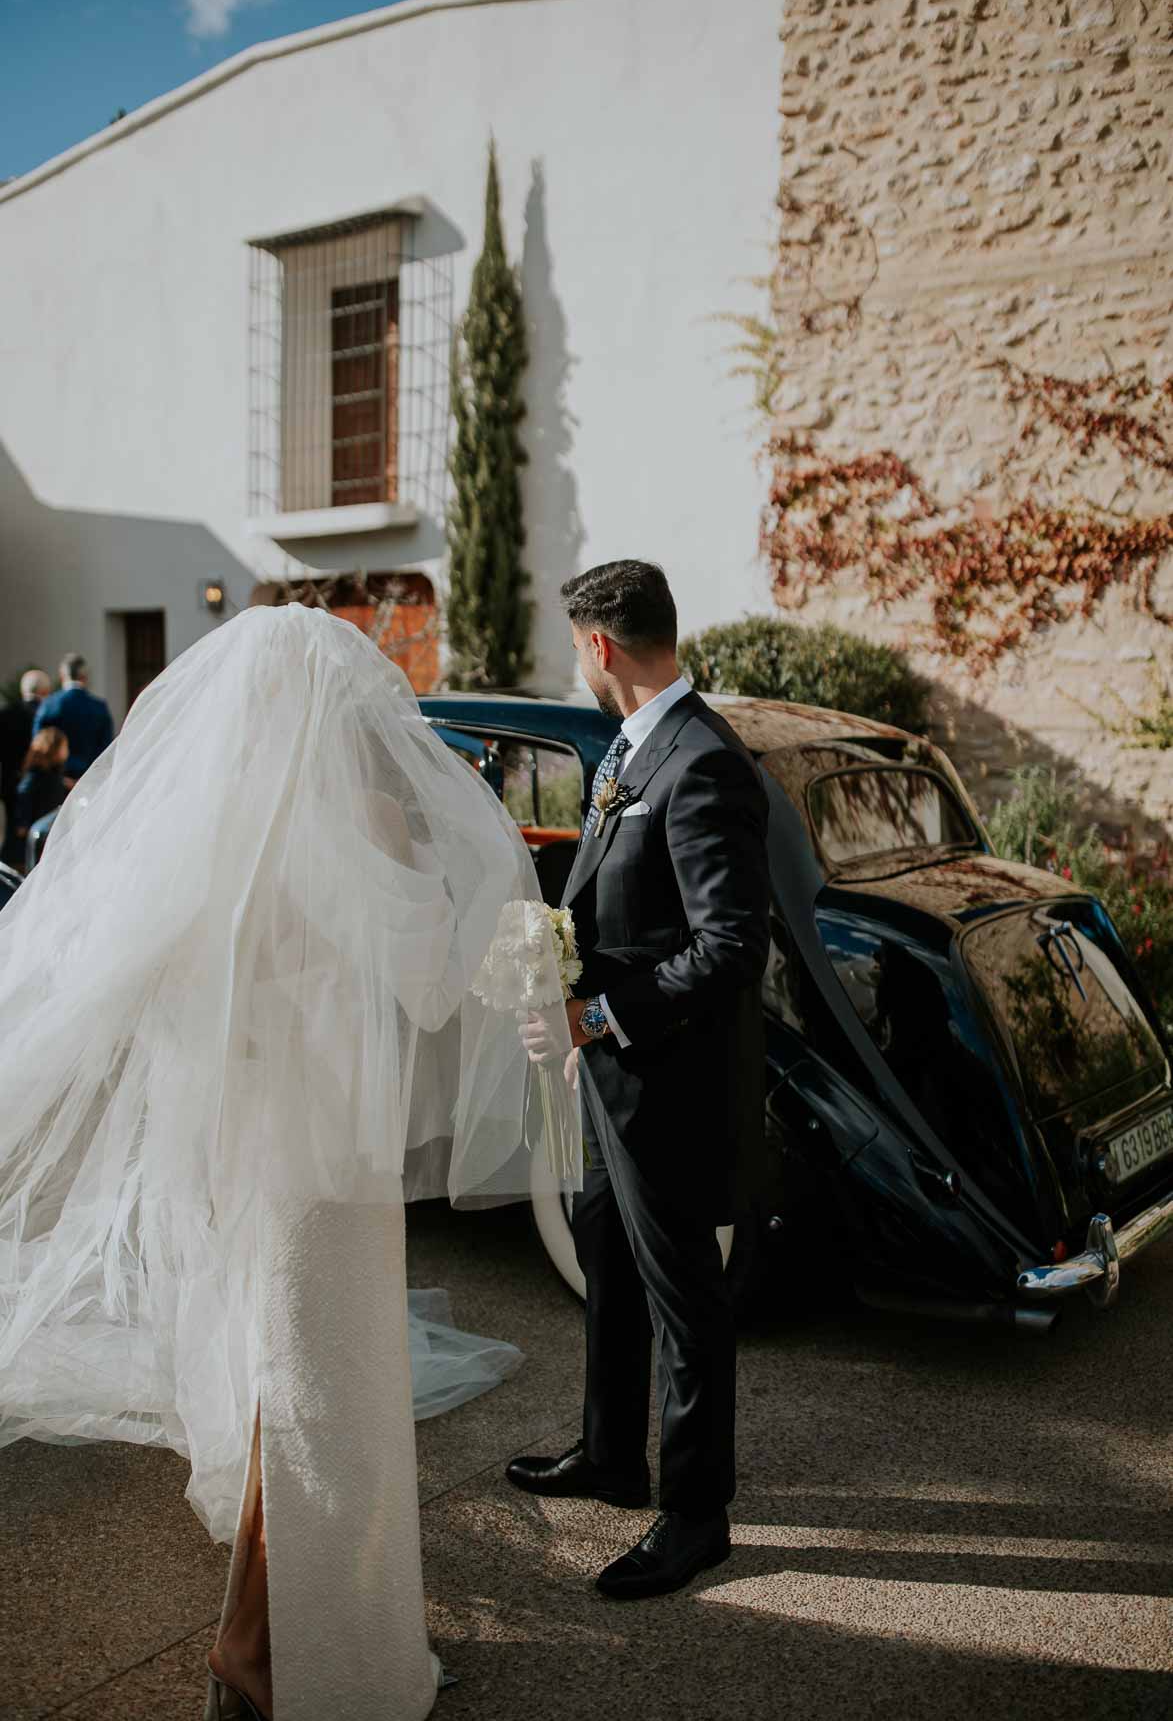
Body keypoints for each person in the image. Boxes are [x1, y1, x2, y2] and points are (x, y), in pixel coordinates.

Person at [0, 605, 577, 1721]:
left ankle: (257, 1640)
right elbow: (424, 984)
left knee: (299, 1402)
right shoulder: (354, 836)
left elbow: (175, 1008)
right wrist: (459, 889)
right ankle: (307, 1656)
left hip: (269, 1155)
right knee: (330, 1409)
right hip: (327, 1173)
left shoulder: (224, 849)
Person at [510, 559, 770, 1600]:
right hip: (610, 1075)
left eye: (576, 645)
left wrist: (600, 1014)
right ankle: (612, 1453)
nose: (577, 661)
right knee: (604, 1257)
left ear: (601, 646)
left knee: (684, 1300)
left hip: (667, 1082)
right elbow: (622, 906)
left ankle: (697, 1512)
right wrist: (555, 984)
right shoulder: (632, 747)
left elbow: (730, 945)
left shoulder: (701, 760)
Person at [34, 652, 114, 783]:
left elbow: (38, 746)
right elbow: (106, 748)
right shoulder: (99, 707)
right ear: (84, 677)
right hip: (88, 779)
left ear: (62, 676)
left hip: (57, 780)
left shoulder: (49, 705)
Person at [0, 669, 50, 866]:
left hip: (11, 783)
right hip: (44, 785)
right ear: (45, 690)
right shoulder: (49, 712)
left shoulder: (5, 715)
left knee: (15, 835)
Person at [11, 726, 70, 863]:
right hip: (33, 840)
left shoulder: (53, 775)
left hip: (45, 837)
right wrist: (23, 823)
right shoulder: (37, 776)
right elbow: (24, 794)